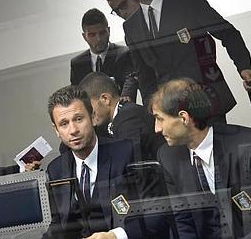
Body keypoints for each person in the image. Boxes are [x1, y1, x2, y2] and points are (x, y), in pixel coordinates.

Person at [121, 0, 251, 123]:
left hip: (205, 98)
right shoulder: (131, 26)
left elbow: (228, 33)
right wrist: (153, 111)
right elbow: (144, 75)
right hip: (170, 109)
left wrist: (244, 66)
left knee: (217, 148)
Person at [152, 78, 251, 238]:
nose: (156, 128)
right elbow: (182, 222)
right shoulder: (168, 157)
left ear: (184, 118)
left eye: (160, 118)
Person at [44, 85, 170, 239]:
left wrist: (115, 236)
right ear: (56, 130)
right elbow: (59, 224)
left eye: (78, 119)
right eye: (64, 124)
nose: (73, 130)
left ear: (92, 117)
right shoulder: (56, 170)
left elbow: (155, 214)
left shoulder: (127, 152)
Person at [78, 72, 165, 161]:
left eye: (89, 107)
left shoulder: (129, 119)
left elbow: (133, 165)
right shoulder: (121, 115)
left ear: (105, 99)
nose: (89, 113)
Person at [70, 8, 138, 102]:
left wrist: (126, 95)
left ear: (108, 31)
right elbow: (76, 95)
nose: (98, 39)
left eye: (102, 33)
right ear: (84, 36)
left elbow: (130, 79)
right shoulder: (77, 63)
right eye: (92, 35)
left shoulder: (124, 54)